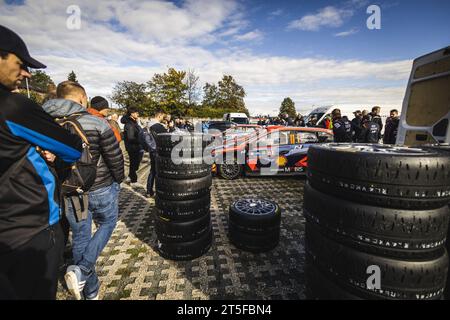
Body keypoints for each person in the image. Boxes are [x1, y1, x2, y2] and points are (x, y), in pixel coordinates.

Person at [0, 25, 83, 299]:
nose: (26, 73)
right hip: (29, 227)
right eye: (21, 64)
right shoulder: (13, 106)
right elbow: (71, 149)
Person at [42, 81, 124, 300]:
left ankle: (91, 293)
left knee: (80, 238)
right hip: (102, 188)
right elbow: (114, 157)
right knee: (107, 223)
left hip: (72, 191)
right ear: (81, 98)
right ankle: (83, 270)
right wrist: (119, 180)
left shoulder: (45, 123)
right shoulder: (97, 122)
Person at [146, 110, 168, 197]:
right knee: (159, 172)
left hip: (151, 150)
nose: (164, 118)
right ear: (160, 115)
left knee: (153, 170)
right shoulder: (158, 126)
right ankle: (160, 192)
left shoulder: (148, 124)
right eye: (163, 116)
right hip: (158, 151)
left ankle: (149, 191)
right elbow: (167, 136)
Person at [121, 107, 143, 184]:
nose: (138, 114)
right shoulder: (129, 124)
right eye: (136, 113)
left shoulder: (134, 122)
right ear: (132, 114)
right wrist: (141, 140)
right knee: (134, 164)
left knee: (135, 164)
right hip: (133, 147)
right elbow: (131, 138)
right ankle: (133, 179)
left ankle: (131, 177)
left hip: (136, 147)